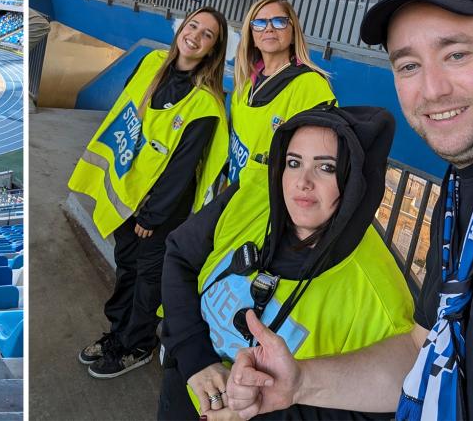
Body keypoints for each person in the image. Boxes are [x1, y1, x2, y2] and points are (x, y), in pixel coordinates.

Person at [225, 0, 473, 421]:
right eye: (409, 65)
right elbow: (420, 347)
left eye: (457, 54)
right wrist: (301, 381)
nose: (432, 89)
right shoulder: (458, 188)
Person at [159, 104, 414, 420]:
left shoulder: (382, 298)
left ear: (353, 181)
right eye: (293, 163)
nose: (302, 182)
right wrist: (196, 360)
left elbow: (374, 410)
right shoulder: (253, 195)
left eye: (326, 168)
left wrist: (251, 412)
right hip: (185, 391)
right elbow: (179, 255)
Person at [69, 8, 231, 379]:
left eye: (207, 35)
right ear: (180, 28)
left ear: (213, 49)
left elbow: (182, 168)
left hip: (160, 212)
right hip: (129, 198)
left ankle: (138, 344)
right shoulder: (151, 62)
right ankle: (117, 334)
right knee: (126, 268)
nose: (196, 36)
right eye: (193, 26)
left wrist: (152, 215)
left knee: (148, 281)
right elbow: (125, 116)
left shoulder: (205, 104)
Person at [229, 0, 335, 202]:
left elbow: (322, 166)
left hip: (268, 211)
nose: (268, 28)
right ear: (251, 34)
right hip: (234, 200)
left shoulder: (312, 86)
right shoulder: (246, 80)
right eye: (259, 23)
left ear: (293, 31)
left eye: (279, 21)